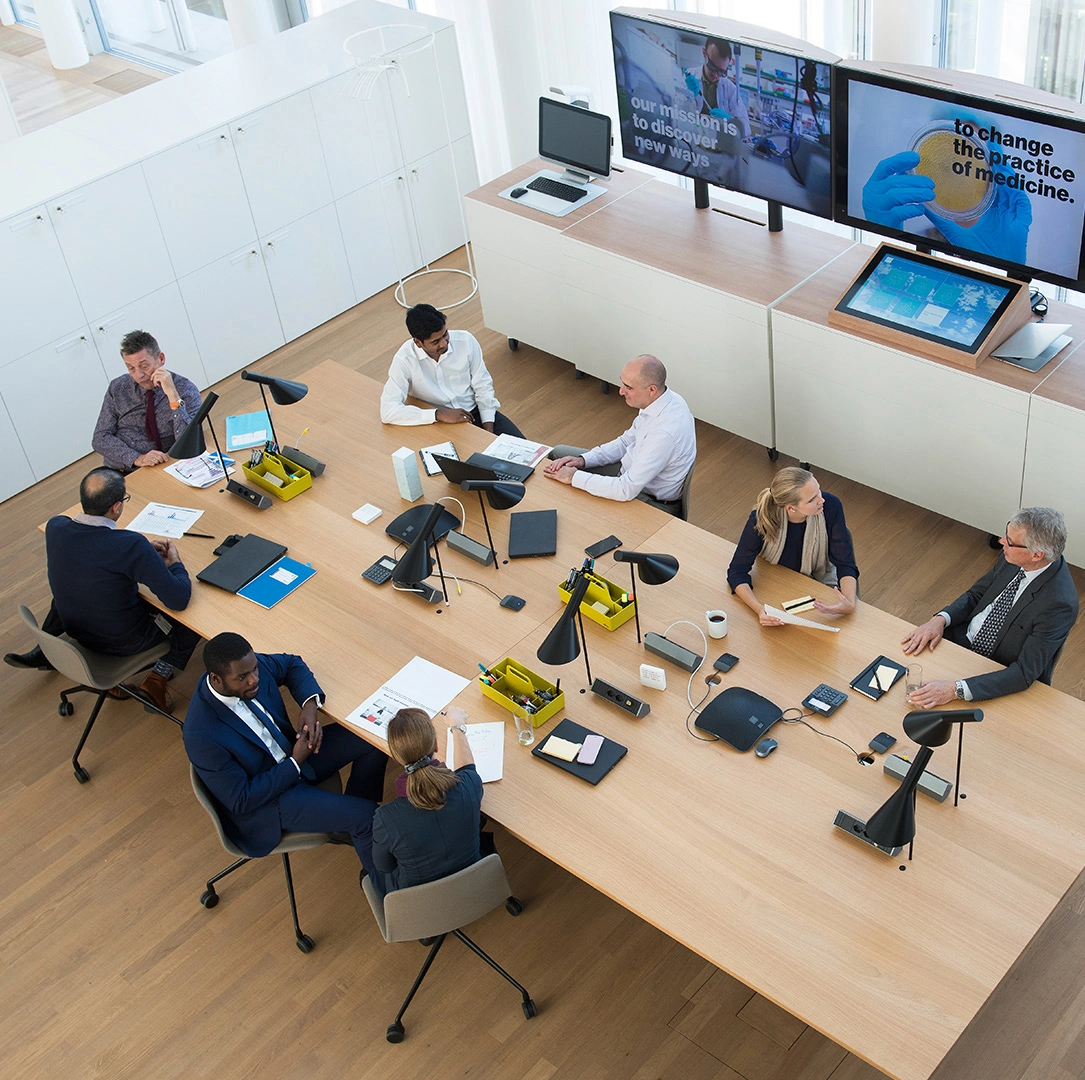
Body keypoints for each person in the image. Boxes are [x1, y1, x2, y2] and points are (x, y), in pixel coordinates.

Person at [183, 632, 388, 881]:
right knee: (369, 817)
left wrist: (309, 707)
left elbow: (292, 663)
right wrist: (295, 762)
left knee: (374, 737)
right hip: (269, 800)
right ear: (216, 679)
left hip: (295, 753)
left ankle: (351, 824)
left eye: (255, 670)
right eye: (243, 678)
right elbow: (241, 799)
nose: (253, 680)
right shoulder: (201, 734)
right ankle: (385, 890)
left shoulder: (247, 666)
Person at [4, 467, 199, 712]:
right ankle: (156, 679)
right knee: (192, 621)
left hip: (76, 629)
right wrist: (175, 564)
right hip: (125, 642)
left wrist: (142, 556)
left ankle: (45, 652)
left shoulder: (56, 527)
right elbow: (178, 599)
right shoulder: (130, 545)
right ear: (117, 507)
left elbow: (94, 553)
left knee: (76, 582)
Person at [902, 507, 1078, 703]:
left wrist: (954, 690)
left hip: (995, 669)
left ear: (1037, 555)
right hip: (960, 640)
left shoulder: (1059, 605)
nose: (1002, 542)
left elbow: (1023, 672)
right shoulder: (1011, 555)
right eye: (1006, 533)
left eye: (1010, 541)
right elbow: (977, 595)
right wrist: (939, 619)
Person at [544, 354, 696, 515]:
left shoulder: (663, 434)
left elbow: (625, 489)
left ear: (651, 389)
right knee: (557, 454)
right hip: (629, 474)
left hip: (647, 498)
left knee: (578, 506)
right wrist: (583, 460)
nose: (621, 391)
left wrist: (574, 477)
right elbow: (626, 442)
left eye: (628, 387)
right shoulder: (663, 400)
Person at [370, 706, 483, 899]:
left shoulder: (386, 818)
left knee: (372, 874)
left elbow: (384, 865)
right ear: (436, 746)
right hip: (472, 887)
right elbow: (468, 769)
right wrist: (457, 727)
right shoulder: (468, 787)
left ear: (396, 757)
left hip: (422, 905)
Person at [727, 467, 859, 626]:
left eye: (819, 490)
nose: (821, 499)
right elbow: (737, 571)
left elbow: (844, 562)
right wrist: (759, 610)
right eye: (811, 499)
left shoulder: (831, 506)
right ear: (791, 508)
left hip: (820, 578)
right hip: (779, 583)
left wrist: (850, 602)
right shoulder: (761, 520)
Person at [380, 303, 523, 437]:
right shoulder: (404, 360)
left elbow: (483, 387)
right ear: (417, 342)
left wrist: (488, 430)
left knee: (532, 455)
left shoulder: (466, 341)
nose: (444, 343)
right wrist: (439, 415)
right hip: (441, 423)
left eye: (445, 334)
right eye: (435, 342)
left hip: (478, 412)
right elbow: (388, 411)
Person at [92, 329, 202, 472]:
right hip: (120, 466)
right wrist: (137, 458)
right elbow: (100, 438)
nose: (139, 375)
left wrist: (173, 397)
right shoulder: (118, 387)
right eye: (131, 368)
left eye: (144, 366)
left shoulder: (186, 390)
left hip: (159, 466)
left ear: (161, 358)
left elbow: (189, 443)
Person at [683, 37, 751, 138]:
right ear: (704, 53)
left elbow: (746, 130)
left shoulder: (730, 89)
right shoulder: (689, 77)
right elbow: (676, 115)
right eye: (712, 67)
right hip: (693, 139)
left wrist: (730, 121)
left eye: (721, 72)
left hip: (721, 145)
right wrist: (688, 98)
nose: (715, 75)